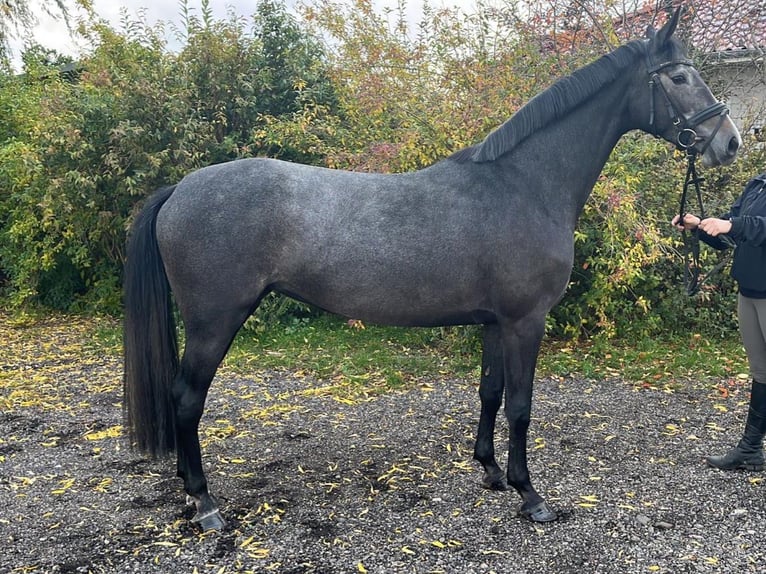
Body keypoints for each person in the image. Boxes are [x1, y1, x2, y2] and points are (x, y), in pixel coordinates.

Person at [672, 172, 766, 471]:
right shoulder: (758, 183)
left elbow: (749, 227)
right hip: (750, 290)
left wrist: (734, 224)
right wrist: (700, 225)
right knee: (762, 372)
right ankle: (750, 450)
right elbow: (731, 234)